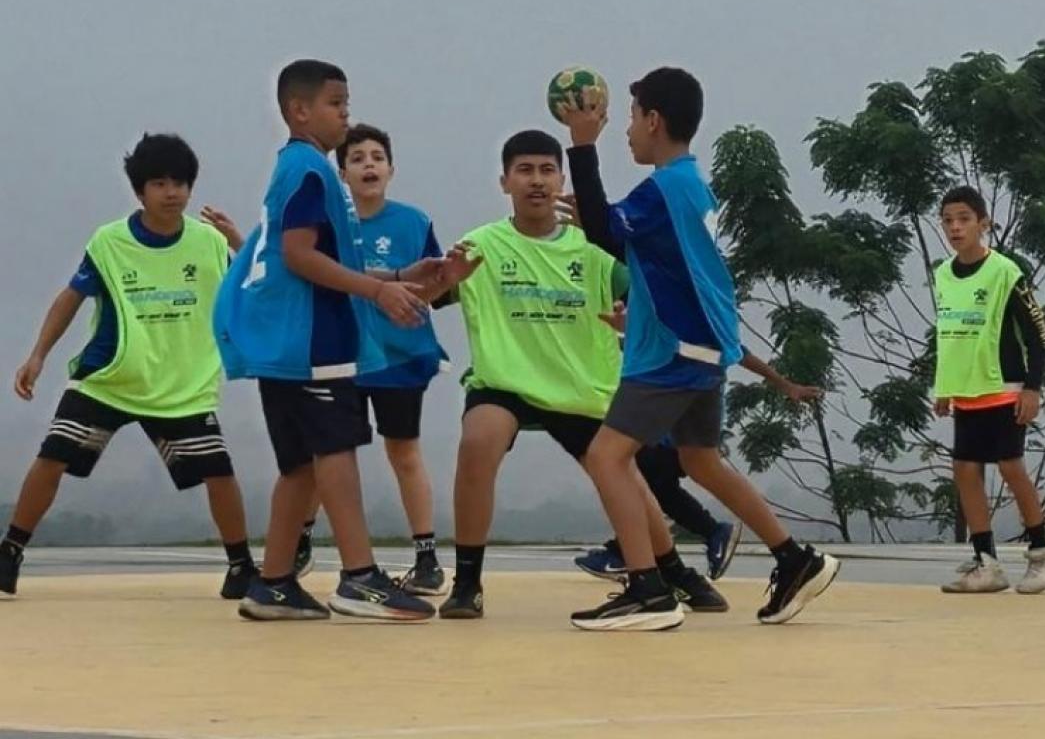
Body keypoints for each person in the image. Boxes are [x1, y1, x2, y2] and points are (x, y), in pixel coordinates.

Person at [561, 66, 840, 626]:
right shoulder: (690, 184)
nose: (627, 130)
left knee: (606, 455)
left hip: (673, 353)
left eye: (633, 117)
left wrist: (582, 147)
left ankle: (648, 590)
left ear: (655, 120)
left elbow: (603, 233)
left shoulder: (665, 187)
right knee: (700, 460)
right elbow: (649, 252)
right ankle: (794, 558)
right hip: (703, 347)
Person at [214, 59, 475, 621]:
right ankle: (359, 577)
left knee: (301, 467)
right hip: (311, 344)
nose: (345, 115)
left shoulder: (299, 169)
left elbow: (317, 261)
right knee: (335, 452)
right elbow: (299, 256)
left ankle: (274, 582)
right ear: (299, 110)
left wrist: (402, 277)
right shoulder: (308, 169)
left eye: (347, 104)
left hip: (289, 345)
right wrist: (378, 294)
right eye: (337, 104)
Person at [439, 129, 720, 630]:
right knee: (477, 441)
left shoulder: (593, 250)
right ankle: (466, 582)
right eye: (524, 171)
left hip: (582, 387)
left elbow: (654, 300)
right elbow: (426, 293)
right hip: (504, 380)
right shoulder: (480, 245)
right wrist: (442, 280)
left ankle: (674, 572)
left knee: (623, 473)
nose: (537, 181)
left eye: (547, 170)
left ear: (562, 180)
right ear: (504, 181)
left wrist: (633, 320)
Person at [0, 133, 256, 600]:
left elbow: (255, 286)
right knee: (53, 454)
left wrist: (238, 240)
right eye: (159, 183)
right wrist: (38, 355)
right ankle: (10, 550)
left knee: (219, 471)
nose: (172, 192)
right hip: (110, 378)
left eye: (180, 182)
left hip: (182, 386)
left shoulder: (209, 242)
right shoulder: (110, 242)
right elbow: (71, 298)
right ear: (140, 192)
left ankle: (242, 565)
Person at [574, 303, 819, 582]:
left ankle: (644, 551)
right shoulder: (658, 322)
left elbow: (739, 352)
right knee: (662, 483)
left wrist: (785, 384)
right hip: (669, 423)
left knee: (633, 473)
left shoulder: (694, 319)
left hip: (670, 425)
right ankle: (710, 540)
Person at [933, 185, 1045, 594]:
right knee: (965, 470)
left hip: (1004, 386)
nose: (956, 228)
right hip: (966, 391)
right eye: (948, 220)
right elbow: (950, 332)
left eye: (964, 219)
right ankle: (987, 561)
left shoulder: (1006, 272)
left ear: (983, 224)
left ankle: (1041, 554)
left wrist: (1033, 388)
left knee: (1010, 466)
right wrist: (944, 386)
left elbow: (1039, 333)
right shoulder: (943, 274)